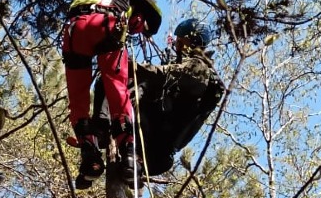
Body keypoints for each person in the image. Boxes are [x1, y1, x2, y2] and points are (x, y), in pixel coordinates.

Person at [61, 0, 163, 189]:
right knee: (117, 89)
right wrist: (143, 25)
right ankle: (127, 154)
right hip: (104, 22)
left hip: (73, 30)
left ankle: (90, 155)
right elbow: (152, 15)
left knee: (78, 99)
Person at [91, 18, 225, 184]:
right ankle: (132, 164)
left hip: (155, 132)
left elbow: (162, 75)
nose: (176, 45)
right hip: (156, 144)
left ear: (187, 42)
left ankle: (99, 132)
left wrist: (129, 66)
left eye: (180, 41)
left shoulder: (199, 67)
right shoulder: (196, 70)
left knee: (110, 79)